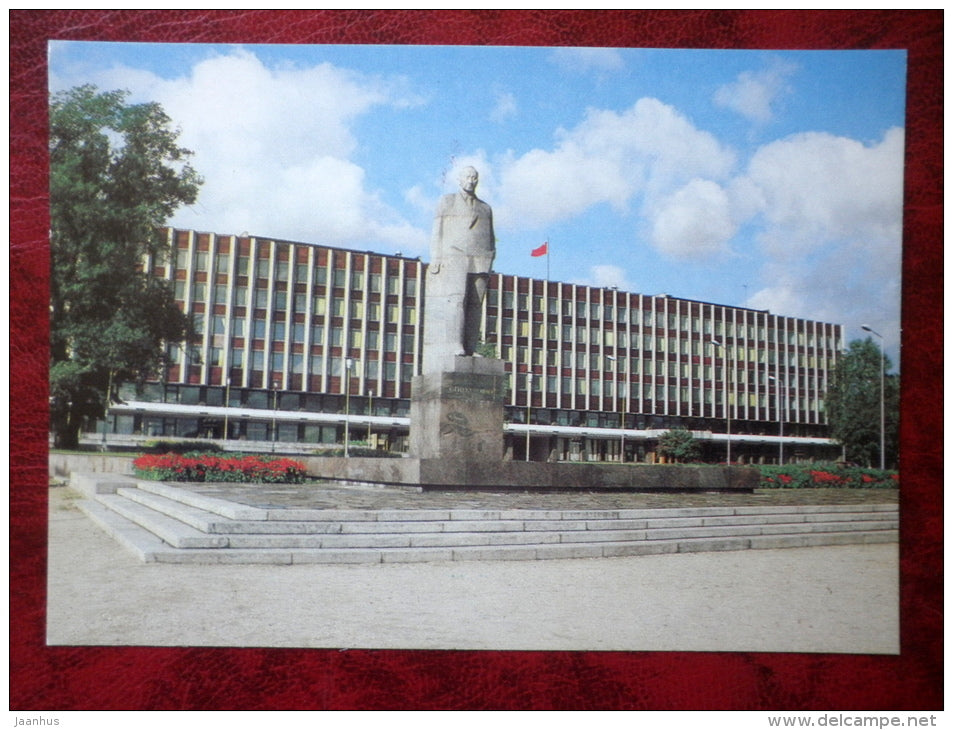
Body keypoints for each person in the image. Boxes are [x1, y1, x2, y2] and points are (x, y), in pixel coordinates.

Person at [422, 166, 496, 372]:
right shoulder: (447, 201)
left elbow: (490, 236)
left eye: (474, 178)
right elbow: (438, 231)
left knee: (475, 304)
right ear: (459, 179)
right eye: (467, 177)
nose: (471, 181)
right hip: (454, 255)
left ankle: (471, 347)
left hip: (480, 259)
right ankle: (456, 344)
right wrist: (435, 256)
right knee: (456, 300)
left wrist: (491, 256)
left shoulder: (485, 208)